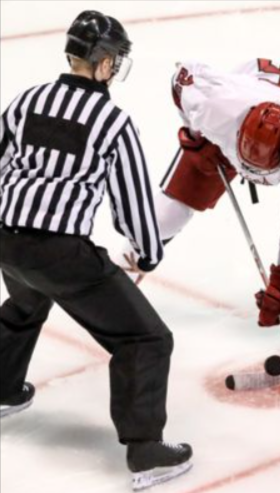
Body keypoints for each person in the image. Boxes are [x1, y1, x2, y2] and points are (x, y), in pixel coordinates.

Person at [0, 11, 192, 490]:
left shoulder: (26, 101)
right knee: (146, 339)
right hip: (62, 254)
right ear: (104, 63)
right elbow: (131, 203)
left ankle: (2, 387)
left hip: (5, 241)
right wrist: (148, 253)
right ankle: (146, 451)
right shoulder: (111, 121)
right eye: (115, 60)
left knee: (25, 301)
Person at [122, 59, 280, 327]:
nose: (246, 170)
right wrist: (197, 136)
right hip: (239, 113)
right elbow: (182, 76)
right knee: (166, 217)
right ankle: (120, 277)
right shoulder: (219, 106)